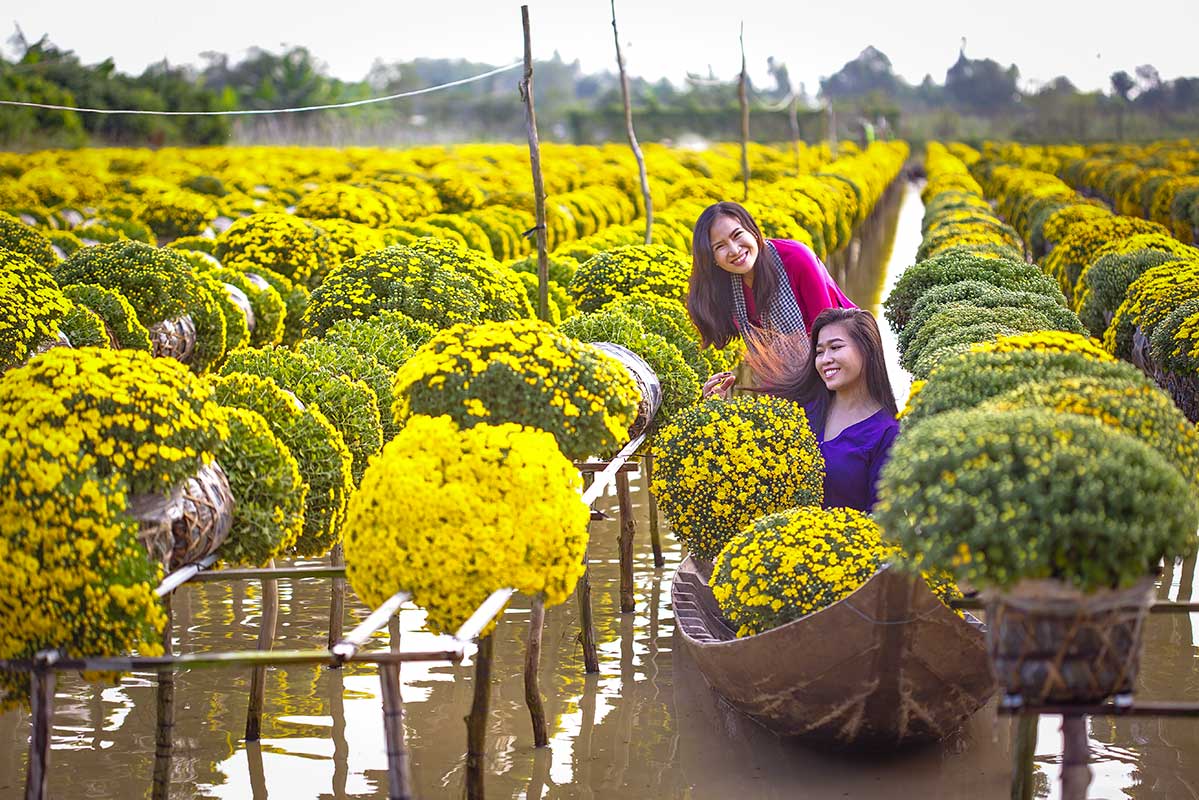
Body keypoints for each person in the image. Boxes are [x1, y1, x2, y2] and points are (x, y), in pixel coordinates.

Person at [688, 201, 856, 399]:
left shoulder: (796, 258)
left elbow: (830, 333)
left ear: (753, 230)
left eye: (737, 235)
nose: (734, 250)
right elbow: (764, 354)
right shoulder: (726, 286)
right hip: (786, 381)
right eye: (720, 246)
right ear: (712, 258)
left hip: (843, 358)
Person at [743, 308, 900, 514]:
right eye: (819, 351)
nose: (825, 359)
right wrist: (717, 410)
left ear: (866, 349)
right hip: (781, 536)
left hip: (842, 543)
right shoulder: (803, 409)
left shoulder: (886, 432)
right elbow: (752, 456)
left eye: (835, 347)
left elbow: (882, 518)